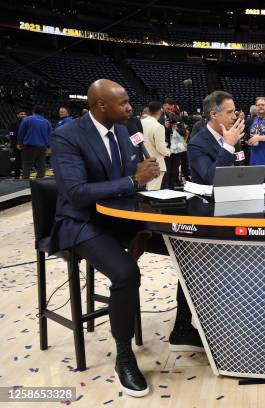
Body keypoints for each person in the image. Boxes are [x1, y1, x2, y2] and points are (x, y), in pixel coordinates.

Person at [50, 80, 204, 398]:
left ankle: (182, 327)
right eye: (122, 103)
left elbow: (132, 185)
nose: (130, 108)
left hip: (122, 219)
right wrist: (132, 180)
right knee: (126, 273)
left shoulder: (124, 131)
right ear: (100, 106)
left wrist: (141, 227)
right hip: (82, 223)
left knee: (187, 246)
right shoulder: (67, 136)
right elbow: (77, 193)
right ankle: (124, 357)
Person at [188, 91, 245, 185]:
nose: (235, 117)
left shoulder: (233, 137)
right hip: (210, 199)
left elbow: (240, 170)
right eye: (229, 112)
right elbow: (211, 178)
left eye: (234, 112)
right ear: (214, 114)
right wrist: (228, 146)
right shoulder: (196, 144)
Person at [141, 101, 171, 190]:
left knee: (143, 192)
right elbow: (161, 148)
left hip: (142, 163)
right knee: (152, 192)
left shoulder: (140, 122)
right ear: (161, 111)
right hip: (155, 164)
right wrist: (169, 152)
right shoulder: (159, 126)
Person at [17, 105, 52, 179]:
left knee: (27, 164)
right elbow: (50, 135)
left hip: (29, 146)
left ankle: (25, 182)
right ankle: (40, 181)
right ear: (43, 113)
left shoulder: (27, 119)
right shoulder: (47, 122)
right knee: (41, 164)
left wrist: (20, 143)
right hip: (42, 147)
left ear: (33, 111)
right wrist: (49, 147)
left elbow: (21, 132)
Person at [9, 109, 27, 179]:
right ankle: (17, 175)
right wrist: (16, 144)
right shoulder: (13, 123)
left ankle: (25, 175)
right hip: (17, 145)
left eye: (24, 114)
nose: (23, 115)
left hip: (26, 144)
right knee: (18, 161)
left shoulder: (28, 123)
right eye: (21, 114)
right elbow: (11, 134)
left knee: (26, 160)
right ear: (18, 115)